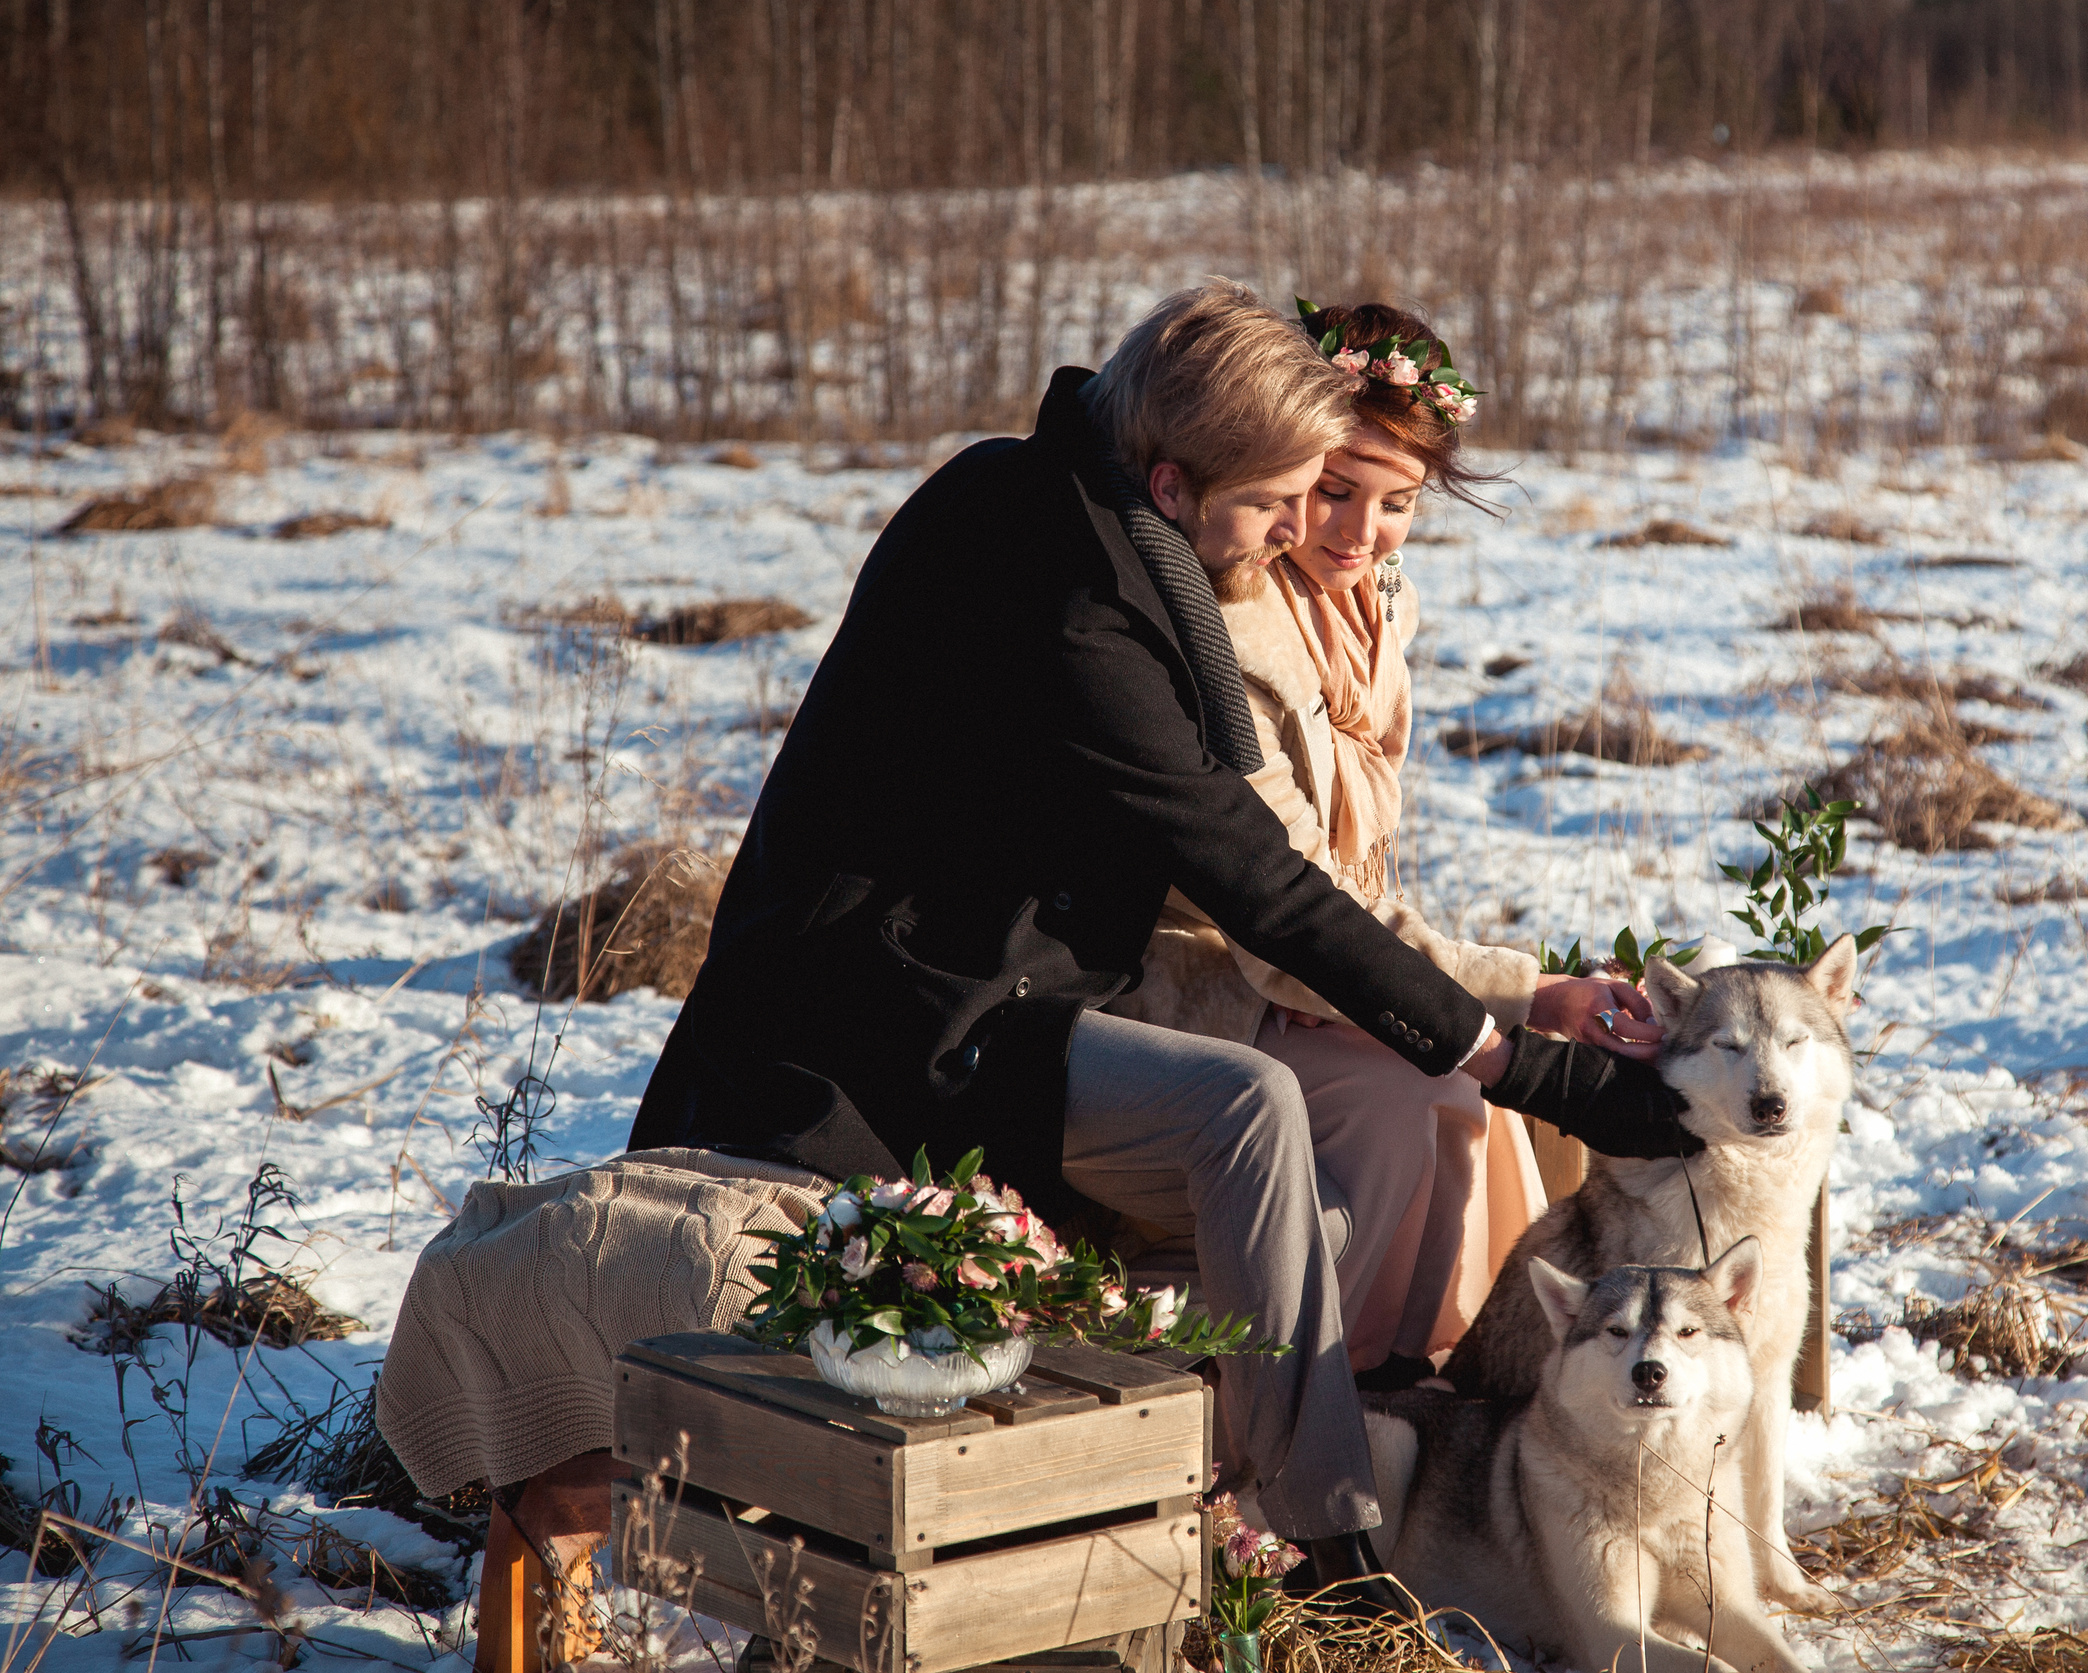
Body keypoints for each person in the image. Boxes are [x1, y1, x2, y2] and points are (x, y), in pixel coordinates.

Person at [624, 280, 1694, 1612]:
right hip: (899, 1032)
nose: (1302, 531)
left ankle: (1321, 1500)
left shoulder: (1050, 502)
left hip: (996, 987)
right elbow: (1261, 884)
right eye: (1278, 501)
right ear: (1180, 483)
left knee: (1297, 1115)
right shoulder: (1078, 605)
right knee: (1256, 1101)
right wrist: (1520, 1056)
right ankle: (1323, 1533)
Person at [1109, 301, 1659, 1391]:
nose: (1359, 533)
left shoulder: (1374, 602)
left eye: (1398, 502)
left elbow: (1347, 875)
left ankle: (1436, 1376)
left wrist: (1503, 993)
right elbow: (1278, 895)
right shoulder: (1230, 615)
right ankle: (1303, 1400)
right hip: (1201, 964)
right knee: (1428, 1088)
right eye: (1332, 489)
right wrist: (1513, 992)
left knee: (1473, 1098)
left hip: (1322, 946)